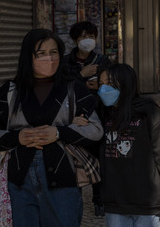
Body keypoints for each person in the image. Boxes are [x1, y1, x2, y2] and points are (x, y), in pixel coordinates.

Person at [0, 29, 103, 226]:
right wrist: (17, 137)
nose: (50, 58)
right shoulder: (10, 91)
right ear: (28, 57)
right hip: (19, 184)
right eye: (41, 54)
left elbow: (96, 129)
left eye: (54, 52)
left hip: (63, 183)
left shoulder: (73, 89)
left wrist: (58, 132)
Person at [73, 63, 160, 226]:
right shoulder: (101, 116)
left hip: (146, 202)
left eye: (110, 84)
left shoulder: (149, 114)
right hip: (115, 202)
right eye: (101, 84)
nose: (104, 89)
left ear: (126, 85)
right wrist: (77, 123)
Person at [62, 21, 112, 217]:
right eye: (82, 37)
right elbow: (62, 88)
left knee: (100, 159)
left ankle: (99, 200)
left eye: (90, 36)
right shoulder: (65, 62)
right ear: (75, 40)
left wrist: (99, 86)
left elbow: (112, 86)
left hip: (98, 116)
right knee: (74, 160)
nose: (87, 40)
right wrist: (81, 76)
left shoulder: (103, 61)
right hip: (73, 118)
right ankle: (74, 200)